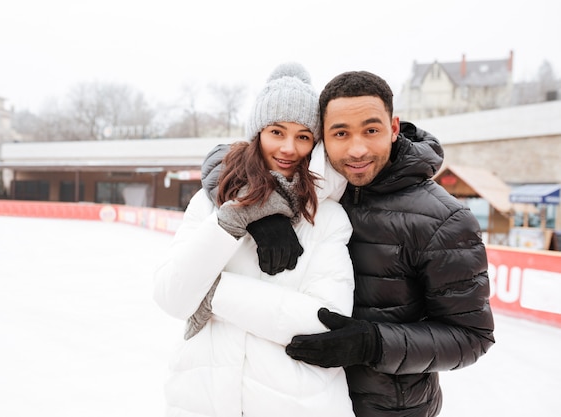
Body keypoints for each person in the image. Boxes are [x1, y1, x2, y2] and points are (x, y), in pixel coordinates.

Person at [202, 70, 495, 417]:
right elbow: (225, 159)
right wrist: (258, 210)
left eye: (371, 130)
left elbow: (471, 336)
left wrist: (374, 344)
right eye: (341, 133)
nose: (357, 149)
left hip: (386, 409)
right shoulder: (315, 187)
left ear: (394, 127)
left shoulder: (443, 220)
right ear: (322, 139)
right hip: (299, 402)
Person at [153, 63, 356, 417]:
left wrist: (216, 293)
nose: (289, 148)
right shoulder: (209, 203)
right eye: (277, 131)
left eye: (303, 136)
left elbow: (326, 321)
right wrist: (234, 219)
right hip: (202, 402)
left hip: (296, 406)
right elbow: (172, 297)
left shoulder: (327, 217)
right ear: (257, 132)